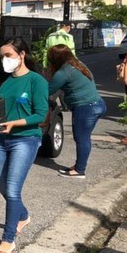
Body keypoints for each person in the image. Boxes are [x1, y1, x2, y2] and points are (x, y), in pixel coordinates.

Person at [0, 37, 49, 253]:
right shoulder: (5, 83)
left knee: (13, 189)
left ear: (22, 54)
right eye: (2, 56)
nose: (5, 60)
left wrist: (16, 124)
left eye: (9, 55)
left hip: (25, 139)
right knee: (4, 188)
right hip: (2, 140)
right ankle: (23, 216)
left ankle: (8, 239)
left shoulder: (36, 81)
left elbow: (41, 115)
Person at [47, 45, 106, 179]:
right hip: (98, 104)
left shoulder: (63, 72)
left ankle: (80, 170)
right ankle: (79, 166)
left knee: (82, 139)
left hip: (86, 108)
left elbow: (47, 91)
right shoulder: (78, 64)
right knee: (84, 138)